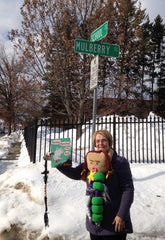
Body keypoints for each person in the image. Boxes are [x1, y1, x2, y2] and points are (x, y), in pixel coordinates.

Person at [45, 129, 134, 240]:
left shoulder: (120, 162)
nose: (100, 143)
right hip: (94, 223)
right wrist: (56, 161)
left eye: (104, 140)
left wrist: (121, 215)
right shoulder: (91, 160)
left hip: (115, 221)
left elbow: (128, 190)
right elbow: (74, 173)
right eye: (97, 141)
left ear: (109, 142)